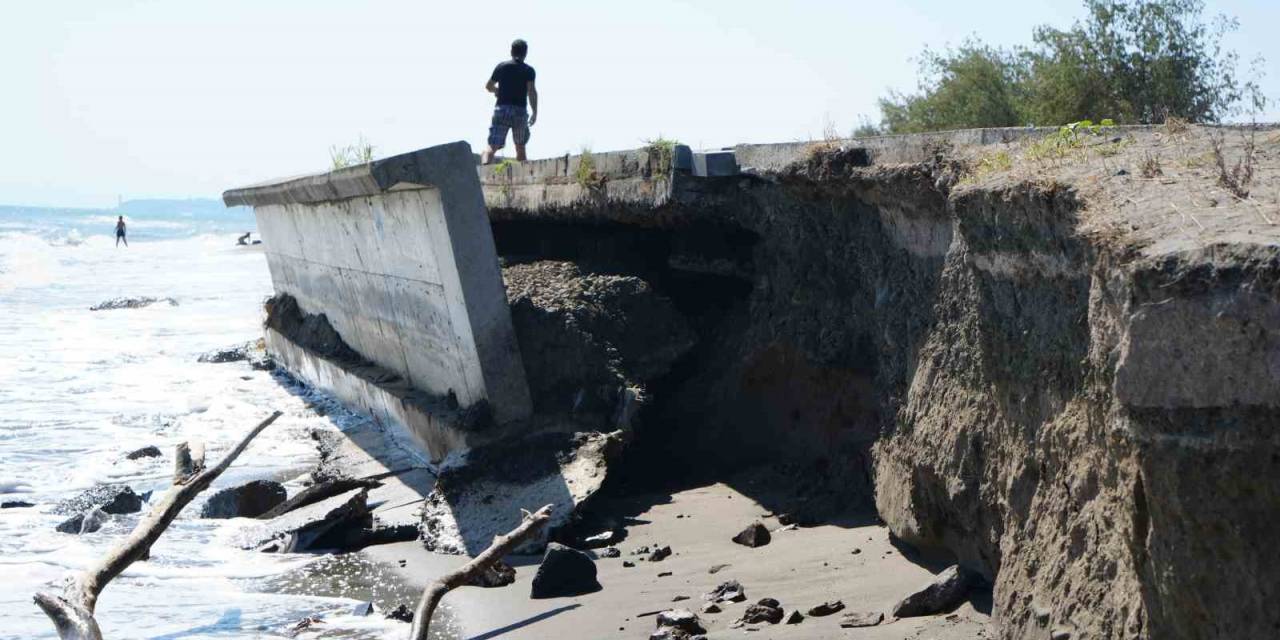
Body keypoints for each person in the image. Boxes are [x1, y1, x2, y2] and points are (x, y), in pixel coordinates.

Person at [481, 39, 538, 164]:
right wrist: (534, 112)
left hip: (502, 109)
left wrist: (497, 91)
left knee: (492, 146)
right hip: (520, 111)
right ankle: (523, 177)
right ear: (525, 53)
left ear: (511, 51)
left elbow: (489, 86)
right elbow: (531, 91)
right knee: (520, 147)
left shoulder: (502, 66)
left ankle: (484, 170)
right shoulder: (529, 70)